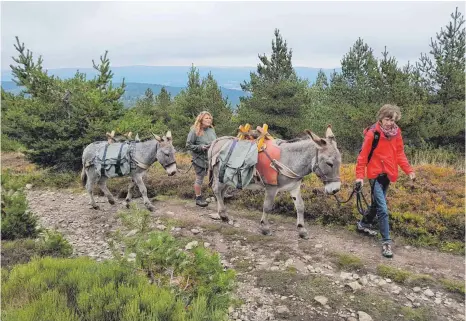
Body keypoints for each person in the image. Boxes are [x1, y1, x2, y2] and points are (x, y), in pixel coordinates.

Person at [355, 104, 415, 258]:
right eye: (388, 119)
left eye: (393, 119)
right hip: (374, 175)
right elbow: (362, 157)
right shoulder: (372, 134)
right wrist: (360, 177)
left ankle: (363, 224)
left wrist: (409, 171)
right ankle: (386, 243)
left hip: (388, 174)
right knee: (383, 208)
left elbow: (400, 153)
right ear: (381, 118)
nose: (390, 122)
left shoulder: (396, 133)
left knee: (376, 204)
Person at [186, 111, 217, 207]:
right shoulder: (194, 131)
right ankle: (198, 198)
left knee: (215, 176)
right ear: (201, 119)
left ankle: (217, 194)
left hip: (212, 158)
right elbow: (188, 145)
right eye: (206, 118)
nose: (209, 120)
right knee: (200, 178)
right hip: (199, 159)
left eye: (210, 118)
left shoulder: (211, 130)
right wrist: (201, 147)